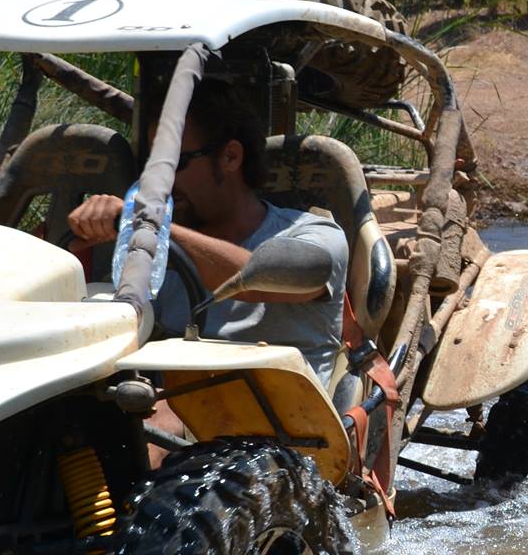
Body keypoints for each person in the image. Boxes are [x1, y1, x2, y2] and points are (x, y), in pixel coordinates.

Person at [67, 81, 349, 381]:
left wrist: (150, 225)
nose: (160, 182)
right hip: (164, 401)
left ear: (230, 156)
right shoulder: (157, 248)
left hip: (282, 406)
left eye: (175, 163)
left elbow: (257, 281)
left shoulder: (317, 235)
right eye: (153, 167)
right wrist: (72, 257)